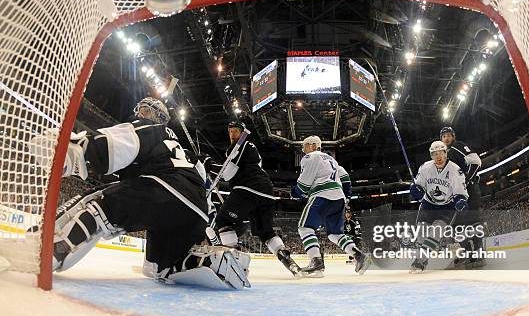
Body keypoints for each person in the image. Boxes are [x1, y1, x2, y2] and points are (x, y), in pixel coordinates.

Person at [29, 97, 249, 289]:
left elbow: (117, 144)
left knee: (99, 204)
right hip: (196, 211)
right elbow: (204, 187)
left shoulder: (150, 128)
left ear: (155, 116)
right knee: (159, 268)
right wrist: (207, 221)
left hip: (165, 189)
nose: (139, 114)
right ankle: (208, 262)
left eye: (145, 111)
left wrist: (76, 148)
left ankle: (48, 252)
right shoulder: (185, 151)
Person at [205, 121, 301, 277]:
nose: (232, 134)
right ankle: (289, 263)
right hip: (266, 193)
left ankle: (233, 262)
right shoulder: (250, 149)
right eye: (230, 131)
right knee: (266, 233)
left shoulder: (241, 146)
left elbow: (227, 174)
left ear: (242, 133)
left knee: (223, 221)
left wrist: (208, 164)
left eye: (236, 131)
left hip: (248, 189)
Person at [291, 135, 370, 277]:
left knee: (305, 227)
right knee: (335, 234)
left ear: (313, 145)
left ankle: (316, 262)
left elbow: (303, 186)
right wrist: (345, 197)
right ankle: (359, 256)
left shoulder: (310, 157)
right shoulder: (332, 160)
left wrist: (294, 192)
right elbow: (346, 179)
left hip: (322, 195)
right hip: (338, 198)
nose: (303, 150)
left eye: (305, 146)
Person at [409, 140, 468, 272]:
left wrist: (460, 200)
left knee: (435, 231)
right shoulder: (425, 167)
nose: (438, 156)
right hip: (428, 204)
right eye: (434, 154)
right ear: (431, 156)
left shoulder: (455, 170)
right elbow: (419, 186)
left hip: (447, 206)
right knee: (421, 237)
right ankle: (424, 258)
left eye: (441, 153)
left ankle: (419, 262)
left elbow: (461, 193)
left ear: (446, 153)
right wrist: (415, 190)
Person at [439, 126, 485, 268]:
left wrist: (466, 181)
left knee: (473, 221)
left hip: (469, 191)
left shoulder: (458, 147)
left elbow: (475, 161)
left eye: (448, 135)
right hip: (456, 195)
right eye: (443, 136)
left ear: (453, 137)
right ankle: (467, 252)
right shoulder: (443, 156)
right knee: (457, 225)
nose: (446, 138)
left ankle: (478, 253)